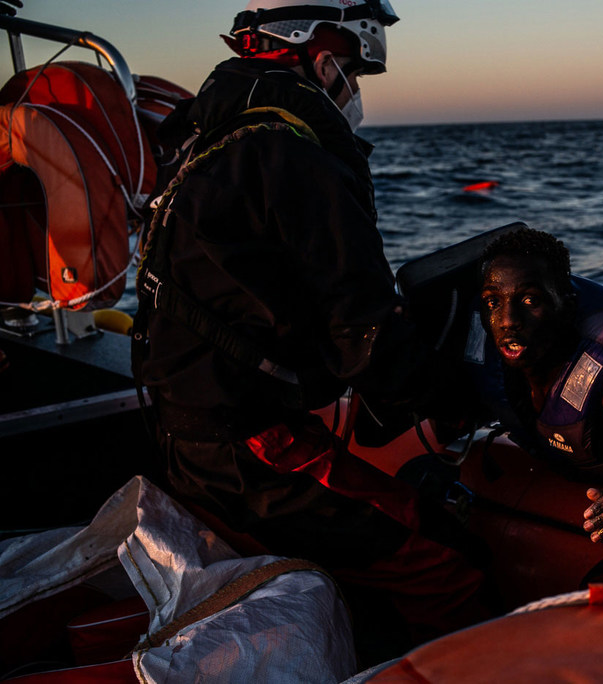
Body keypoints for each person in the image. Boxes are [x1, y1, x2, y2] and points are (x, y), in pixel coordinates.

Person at [132, 0, 492, 662]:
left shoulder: (210, 139)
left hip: (190, 434)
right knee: (446, 560)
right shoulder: (291, 153)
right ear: (320, 59)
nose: (353, 90)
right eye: (353, 71)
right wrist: (462, 394)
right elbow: (365, 337)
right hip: (246, 450)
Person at [477, 227, 603, 544]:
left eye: (530, 300)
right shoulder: (496, 355)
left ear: (567, 307)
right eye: (493, 302)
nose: (507, 320)